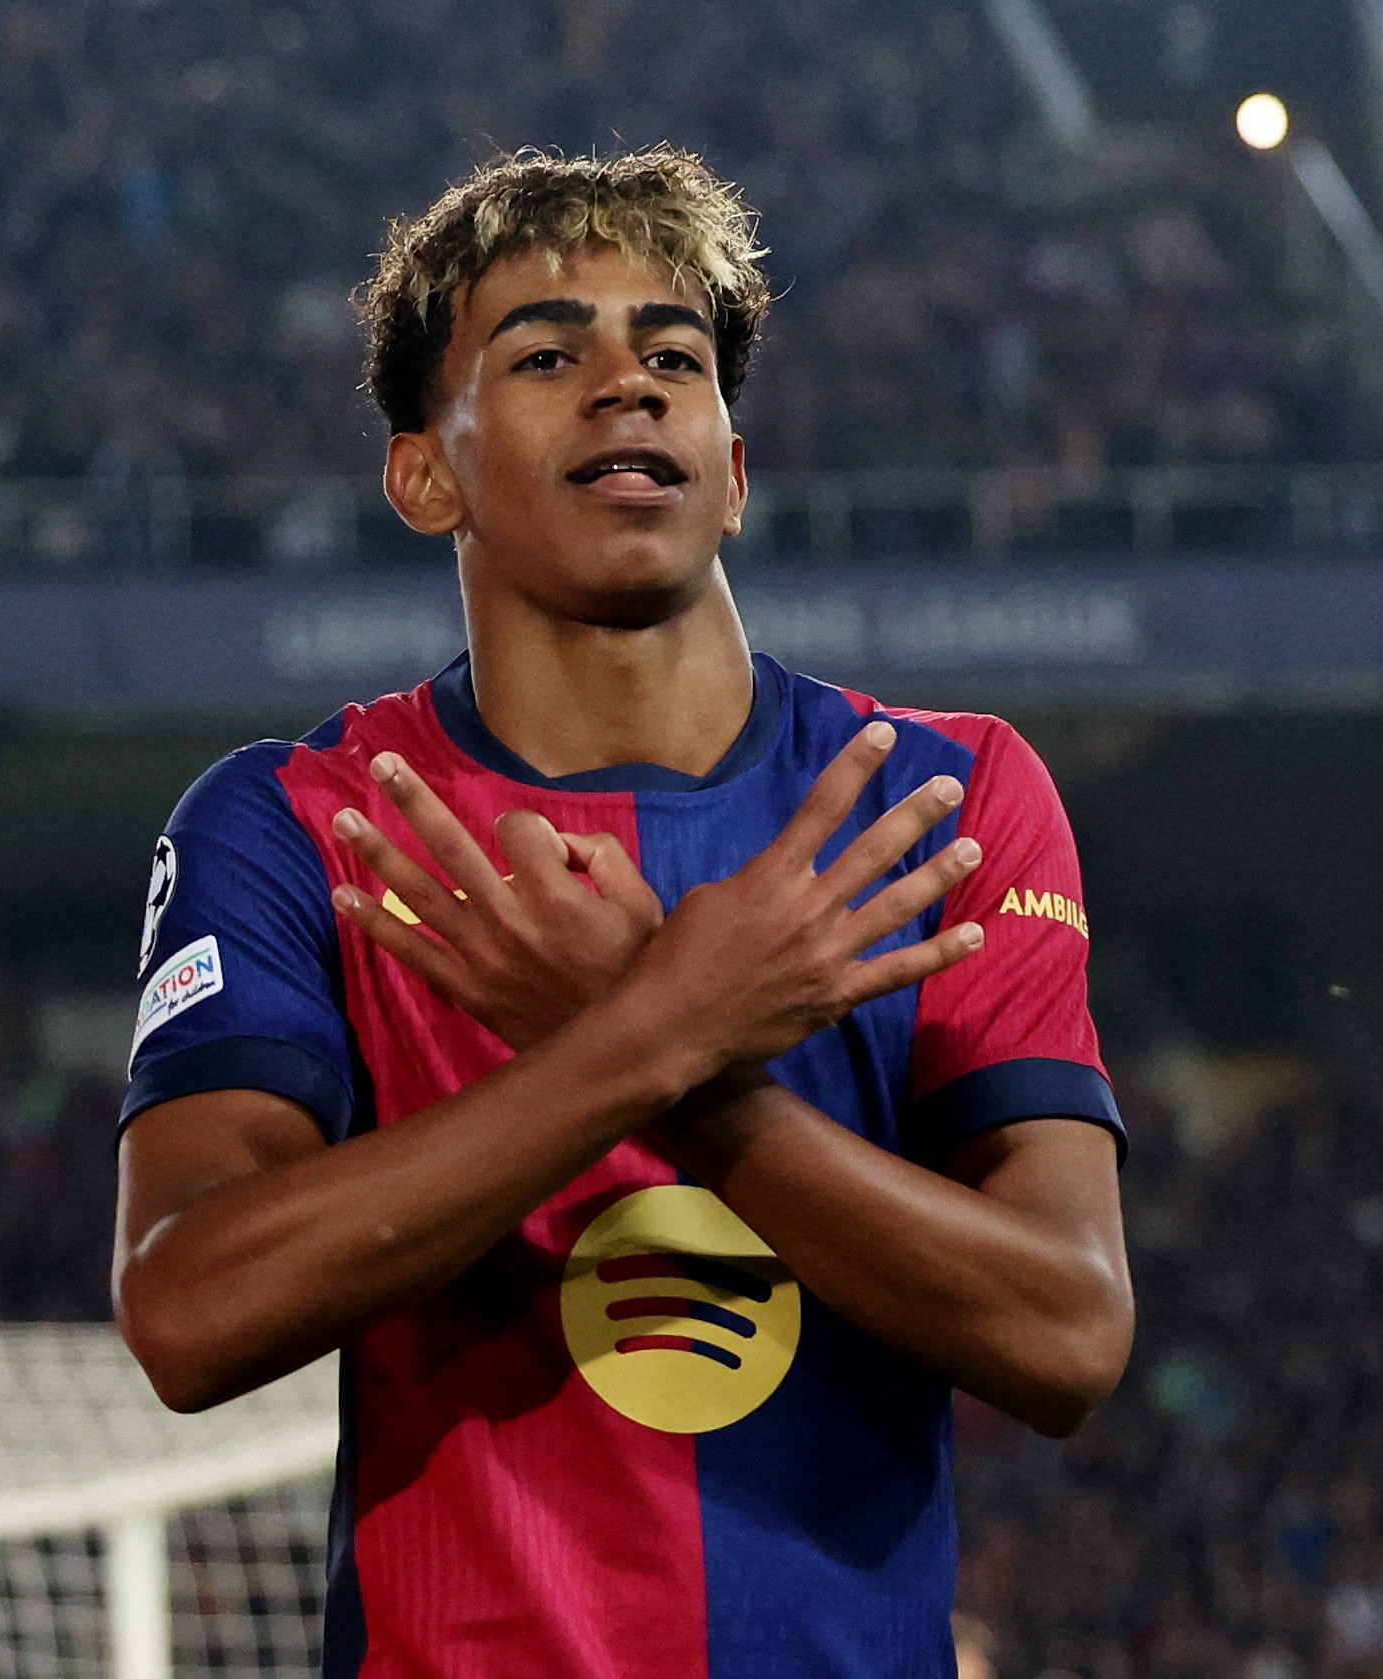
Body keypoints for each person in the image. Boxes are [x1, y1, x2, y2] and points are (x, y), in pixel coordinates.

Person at [112, 147, 1133, 1679]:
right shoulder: (299, 824)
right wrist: (657, 1029)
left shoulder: (944, 797)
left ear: (732, 470)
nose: (628, 385)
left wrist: (670, 1056)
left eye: (675, 355)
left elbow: (1066, 1337)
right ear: (423, 473)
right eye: (546, 353)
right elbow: (191, 1311)